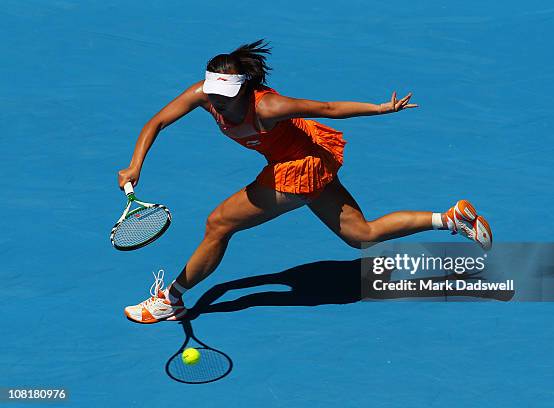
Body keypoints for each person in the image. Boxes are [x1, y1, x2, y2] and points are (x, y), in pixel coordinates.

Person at [118, 39, 493, 324]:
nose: (217, 102)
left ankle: (172, 299)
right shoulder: (204, 94)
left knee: (218, 224)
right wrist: (135, 166)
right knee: (361, 235)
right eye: (213, 93)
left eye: (225, 96)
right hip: (303, 161)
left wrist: (381, 108)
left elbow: (327, 109)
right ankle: (451, 219)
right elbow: (157, 122)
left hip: (298, 167)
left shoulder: (268, 107)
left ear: (245, 88)